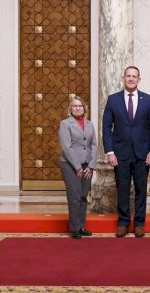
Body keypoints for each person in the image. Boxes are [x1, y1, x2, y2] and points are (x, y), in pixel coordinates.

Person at [102, 66, 150, 238]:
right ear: (124, 78)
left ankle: (140, 223)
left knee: (141, 190)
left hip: (143, 154)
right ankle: (123, 223)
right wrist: (110, 152)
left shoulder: (148, 100)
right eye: (128, 76)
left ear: (139, 79)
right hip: (120, 154)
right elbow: (106, 127)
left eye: (134, 76)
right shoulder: (113, 100)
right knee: (123, 190)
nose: (131, 79)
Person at [58, 96, 97, 239]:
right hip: (70, 165)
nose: (77, 108)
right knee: (74, 196)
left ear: (84, 108)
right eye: (74, 106)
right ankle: (74, 228)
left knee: (83, 196)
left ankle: (81, 226)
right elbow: (66, 147)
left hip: (87, 165)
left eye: (80, 106)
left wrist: (91, 166)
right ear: (70, 109)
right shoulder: (65, 124)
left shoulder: (89, 124)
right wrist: (77, 167)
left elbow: (94, 145)